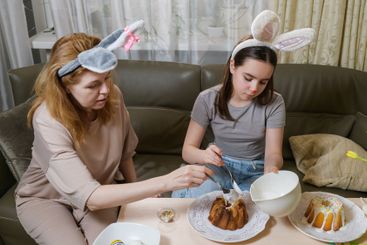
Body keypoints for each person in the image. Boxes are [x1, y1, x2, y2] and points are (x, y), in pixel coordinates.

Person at [15, 20, 211, 245]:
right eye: (93, 85)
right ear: (65, 86)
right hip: (47, 199)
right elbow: (91, 198)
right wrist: (166, 182)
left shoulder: (113, 97)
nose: (105, 90)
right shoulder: (48, 119)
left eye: (107, 78)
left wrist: (140, 195)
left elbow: (125, 153)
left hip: (103, 188)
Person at [172, 10, 315, 198]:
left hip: (255, 170)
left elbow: (273, 153)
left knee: (255, 205)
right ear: (233, 66)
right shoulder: (207, 98)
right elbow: (187, 151)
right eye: (248, 78)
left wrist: (271, 169)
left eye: (263, 81)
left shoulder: (275, 102)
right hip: (218, 166)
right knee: (201, 195)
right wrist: (205, 155)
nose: (255, 88)